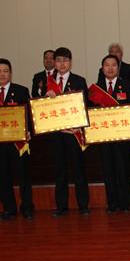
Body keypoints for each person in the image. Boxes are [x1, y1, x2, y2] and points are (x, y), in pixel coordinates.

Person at [0, 58, 34, 220]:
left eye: (5, 71)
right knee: (3, 176)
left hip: (18, 142)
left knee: (23, 176)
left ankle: (27, 207)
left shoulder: (21, 90)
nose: (2, 74)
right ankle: (9, 208)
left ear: (10, 73)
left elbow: (29, 114)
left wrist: (29, 131)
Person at [46, 47, 91, 217]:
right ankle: (61, 206)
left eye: (65, 60)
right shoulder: (46, 82)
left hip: (73, 133)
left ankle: (83, 205)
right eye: (58, 60)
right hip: (56, 134)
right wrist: (46, 98)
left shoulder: (79, 81)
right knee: (60, 170)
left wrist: (79, 125)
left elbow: (85, 105)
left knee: (78, 169)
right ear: (54, 62)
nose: (62, 64)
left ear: (70, 62)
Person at [89, 54, 130, 213]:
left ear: (118, 67)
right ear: (102, 68)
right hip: (104, 137)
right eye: (107, 65)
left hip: (122, 136)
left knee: (123, 170)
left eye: (114, 65)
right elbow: (90, 111)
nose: (110, 68)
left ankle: (125, 203)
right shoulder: (95, 89)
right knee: (108, 171)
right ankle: (112, 204)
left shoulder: (128, 86)